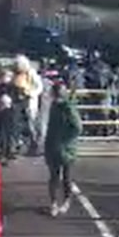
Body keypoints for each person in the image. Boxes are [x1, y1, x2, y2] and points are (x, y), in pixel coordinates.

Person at [43, 82, 83, 217]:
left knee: (66, 177)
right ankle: (53, 203)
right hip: (53, 146)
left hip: (66, 148)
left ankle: (66, 201)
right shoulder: (55, 106)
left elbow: (78, 127)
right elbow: (51, 127)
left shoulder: (68, 108)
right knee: (54, 177)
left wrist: (66, 139)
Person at [12, 55, 45, 154]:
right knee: (19, 124)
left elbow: (39, 87)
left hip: (29, 101)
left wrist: (31, 93)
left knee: (31, 124)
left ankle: (34, 145)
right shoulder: (16, 74)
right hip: (18, 102)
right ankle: (20, 144)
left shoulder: (31, 73)